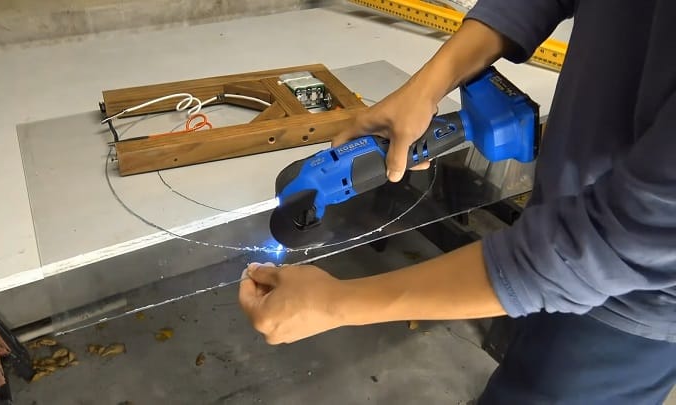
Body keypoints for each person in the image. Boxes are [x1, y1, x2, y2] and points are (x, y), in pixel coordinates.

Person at [239, 0, 676, 403]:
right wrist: (429, 84)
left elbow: (612, 245)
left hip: (627, 308)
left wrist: (335, 304)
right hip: (555, 237)